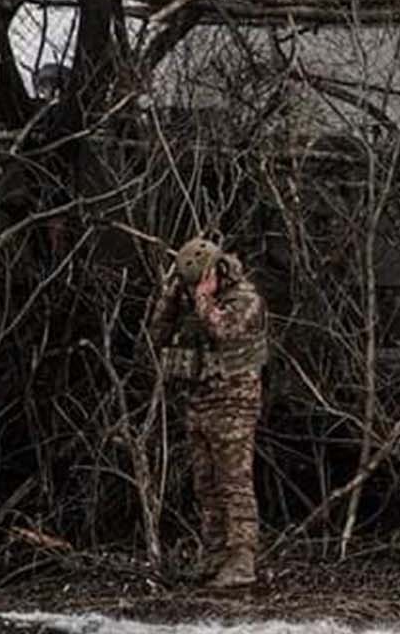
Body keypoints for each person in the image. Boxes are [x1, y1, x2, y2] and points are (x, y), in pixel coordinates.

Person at [149, 235, 268, 586]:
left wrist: (203, 298)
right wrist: (170, 298)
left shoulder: (245, 299)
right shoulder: (188, 300)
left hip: (234, 402)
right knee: (206, 485)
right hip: (199, 400)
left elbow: (223, 331)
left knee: (234, 483)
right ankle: (215, 553)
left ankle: (242, 560)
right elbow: (155, 337)